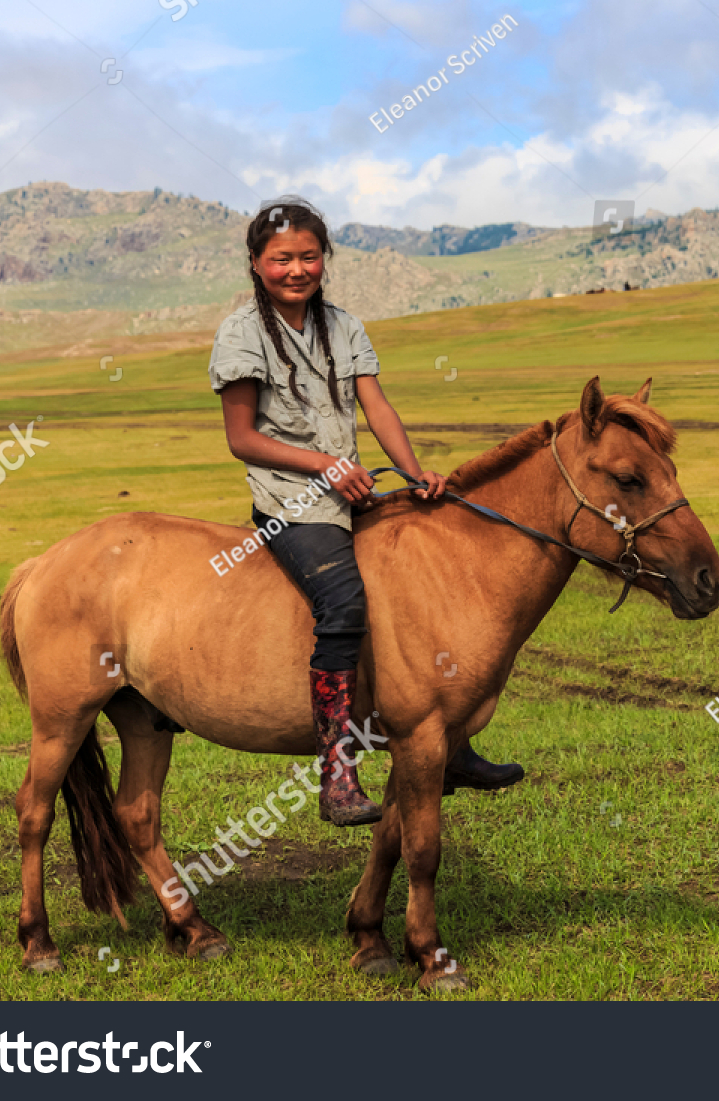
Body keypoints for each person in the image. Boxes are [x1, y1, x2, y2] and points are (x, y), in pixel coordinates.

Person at [208, 195, 524, 826]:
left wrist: (414, 471)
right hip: (292, 503)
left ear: (324, 259)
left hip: (355, 492)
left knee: (429, 589)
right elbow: (242, 438)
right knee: (344, 604)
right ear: (254, 263)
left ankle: (451, 745)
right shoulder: (241, 333)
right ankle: (337, 768)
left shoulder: (345, 326)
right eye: (281, 259)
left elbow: (376, 408)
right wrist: (324, 466)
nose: (297, 269)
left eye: (308, 256)